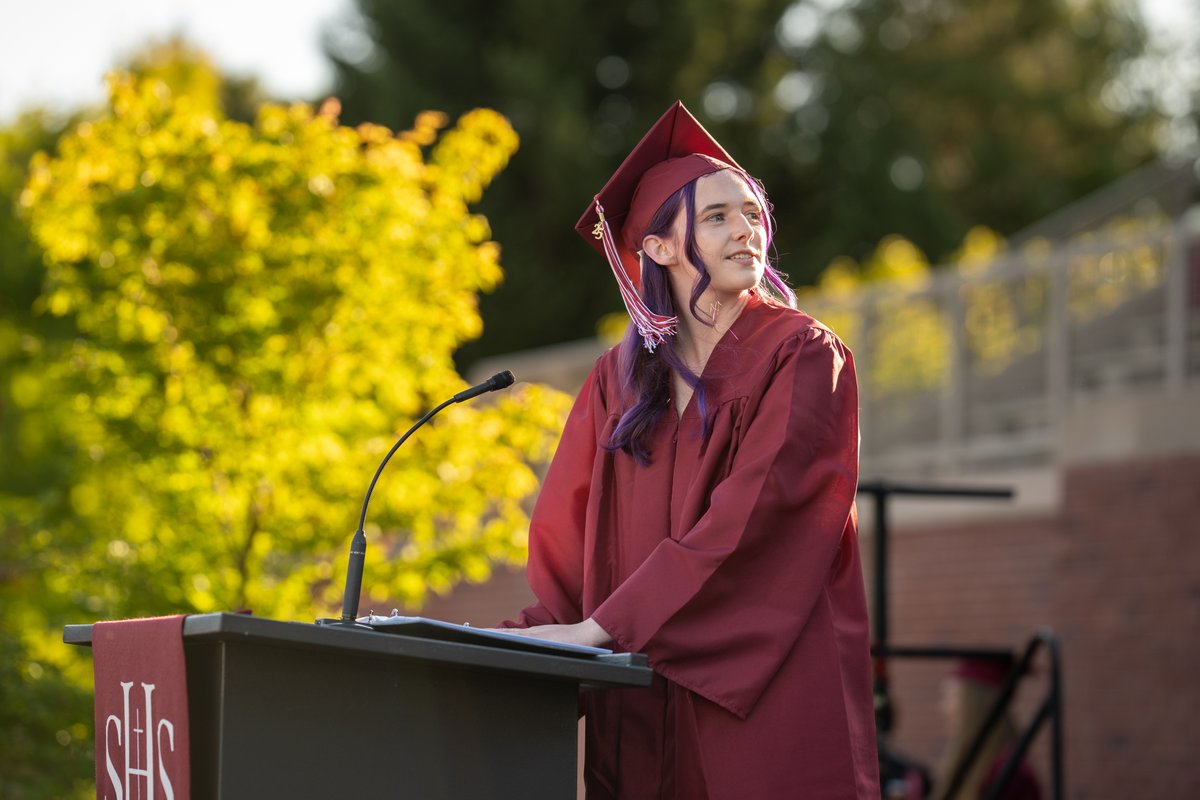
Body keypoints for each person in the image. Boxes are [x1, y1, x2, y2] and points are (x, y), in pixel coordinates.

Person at [496, 101, 880, 798]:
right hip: (638, 712)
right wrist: (511, 647)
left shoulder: (801, 355)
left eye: (752, 213)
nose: (746, 230)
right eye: (717, 217)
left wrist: (604, 628)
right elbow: (568, 548)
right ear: (658, 248)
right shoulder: (616, 382)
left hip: (761, 703)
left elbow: (757, 521)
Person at [930, 658, 1042, 800]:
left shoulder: (1010, 773)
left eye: (952, 697)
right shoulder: (975, 765)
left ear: (974, 706)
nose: (944, 708)